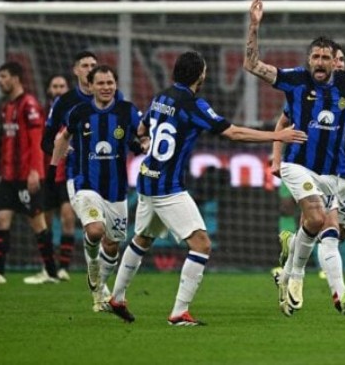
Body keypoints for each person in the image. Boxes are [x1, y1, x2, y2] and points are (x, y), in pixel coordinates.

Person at [107, 50, 307, 326]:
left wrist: (144, 145)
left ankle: (116, 297)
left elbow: (141, 130)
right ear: (200, 74)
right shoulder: (193, 105)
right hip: (168, 187)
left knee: (142, 238)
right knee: (201, 245)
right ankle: (179, 313)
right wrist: (278, 135)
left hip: (145, 179)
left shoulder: (160, 97)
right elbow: (232, 133)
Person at [244, 0, 345, 315]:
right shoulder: (296, 81)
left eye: (325, 58)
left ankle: (291, 259)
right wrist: (254, 27)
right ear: (309, 60)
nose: (319, 62)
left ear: (335, 61)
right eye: (315, 57)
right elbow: (252, 64)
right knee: (319, 221)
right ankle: (304, 278)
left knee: (331, 230)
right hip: (299, 165)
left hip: (339, 174)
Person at [270, 42, 345, 315]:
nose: (337, 64)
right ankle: (339, 293)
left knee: (337, 232)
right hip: (321, 170)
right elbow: (283, 122)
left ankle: (287, 266)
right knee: (325, 228)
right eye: (333, 59)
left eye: (340, 59)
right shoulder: (313, 94)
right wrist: (277, 158)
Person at [48, 65, 146, 312]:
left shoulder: (127, 111)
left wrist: (143, 144)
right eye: (100, 83)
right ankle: (92, 263)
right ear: (90, 86)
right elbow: (62, 138)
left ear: (116, 84)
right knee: (94, 230)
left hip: (117, 190)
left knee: (112, 244)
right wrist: (52, 170)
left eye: (110, 83)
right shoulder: (79, 112)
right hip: (86, 185)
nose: (106, 88)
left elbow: (145, 135)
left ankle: (99, 286)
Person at [0, 62, 59, 285]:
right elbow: (6, 143)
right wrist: (2, 171)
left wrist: (35, 172)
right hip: (9, 177)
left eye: (4, 76)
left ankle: (51, 272)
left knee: (37, 223)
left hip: (26, 176)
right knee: (2, 220)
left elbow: (37, 140)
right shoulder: (6, 106)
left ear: (16, 78)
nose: (0, 80)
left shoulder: (29, 105)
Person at [41, 73, 76, 282]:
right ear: (49, 90)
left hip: (66, 174)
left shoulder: (72, 112)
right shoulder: (44, 114)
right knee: (44, 221)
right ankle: (48, 267)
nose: (58, 90)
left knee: (67, 217)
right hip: (47, 173)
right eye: (54, 86)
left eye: (62, 86)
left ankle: (63, 267)